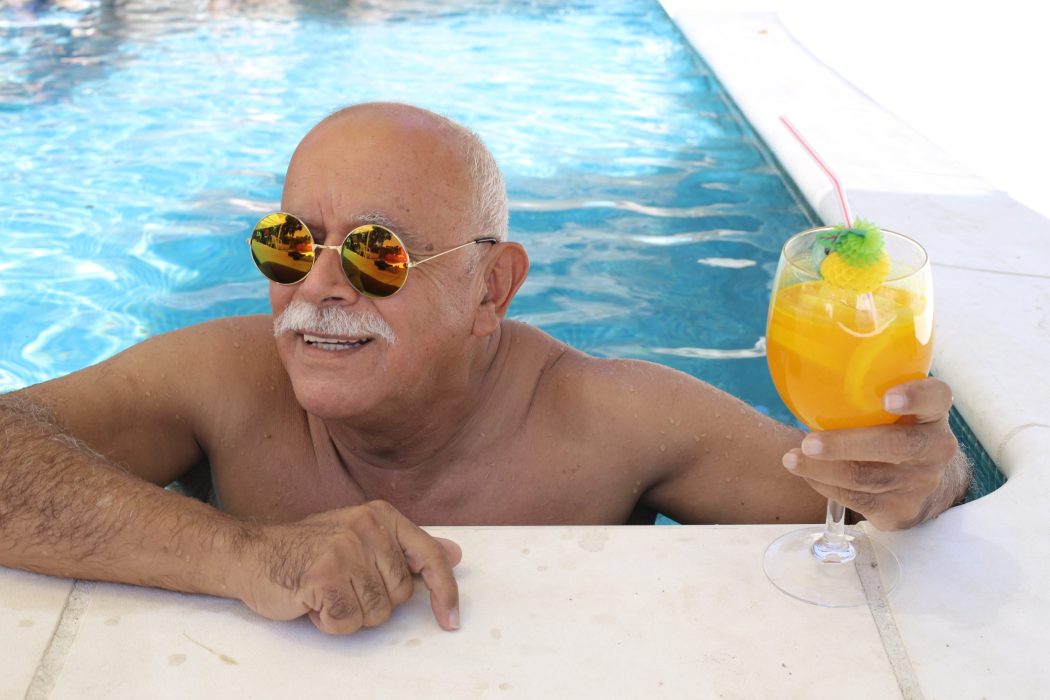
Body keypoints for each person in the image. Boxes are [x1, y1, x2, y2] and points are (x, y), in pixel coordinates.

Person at [0, 102, 968, 636]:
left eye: (379, 253)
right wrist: (242, 553)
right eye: (292, 242)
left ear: (490, 289)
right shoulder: (220, 376)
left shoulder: (612, 418)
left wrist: (927, 473)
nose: (320, 286)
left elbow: (871, 499)